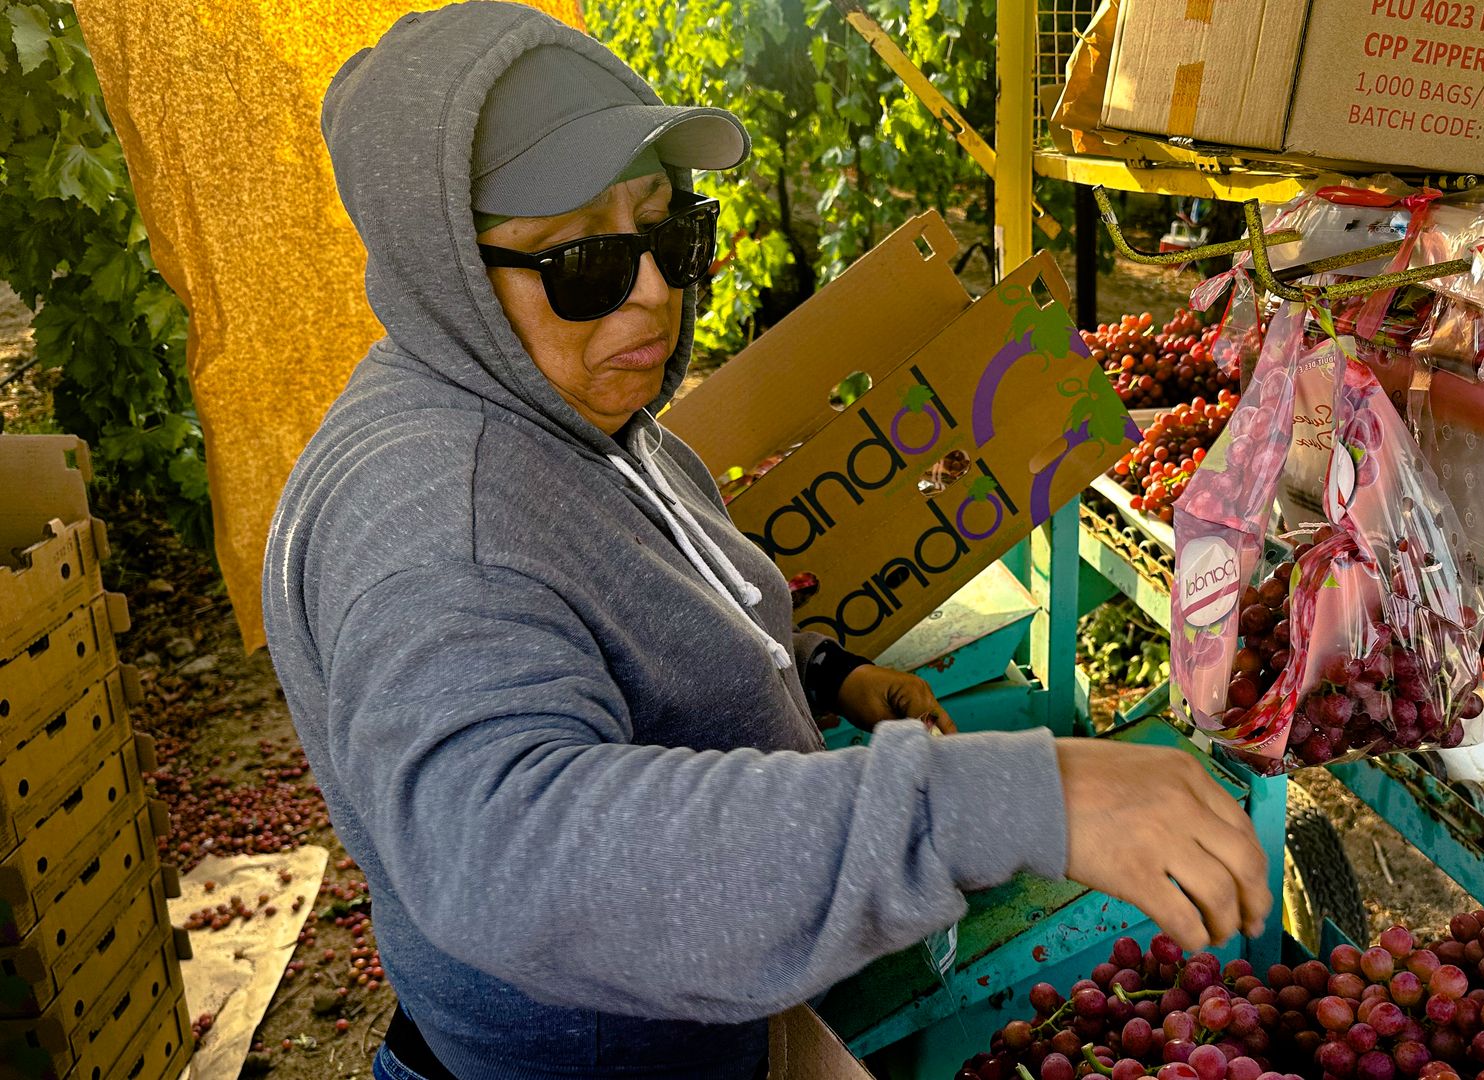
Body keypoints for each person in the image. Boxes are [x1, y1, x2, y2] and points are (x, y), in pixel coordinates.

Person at [264, 4, 1272, 1078]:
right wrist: (1022, 798)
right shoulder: (437, 523)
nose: (653, 291)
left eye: (667, 235)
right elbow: (512, 852)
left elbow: (637, 604)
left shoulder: (570, 416)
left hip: (703, 1015)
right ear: (448, 269)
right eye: (586, 263)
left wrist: (823, 671)